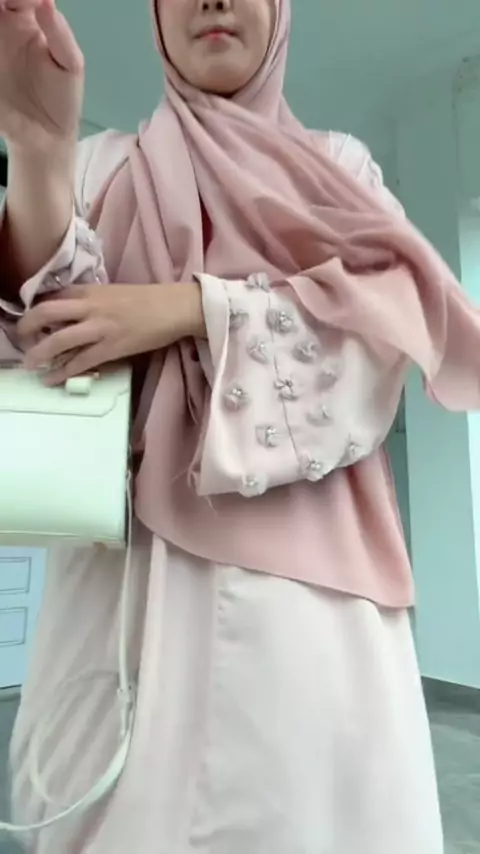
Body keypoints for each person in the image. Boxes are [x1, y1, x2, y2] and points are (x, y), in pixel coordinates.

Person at [2, 0, 480, 851]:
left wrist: (188, 309)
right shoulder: (102, 165)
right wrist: (39, 151)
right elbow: (41, 341)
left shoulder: (336, 166)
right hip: (128, 598)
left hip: (312, 606)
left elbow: (388, 329)